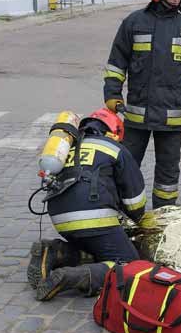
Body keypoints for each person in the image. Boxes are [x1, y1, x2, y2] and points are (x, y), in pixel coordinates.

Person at [103, 0, 181, 209]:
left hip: (170, 119)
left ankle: (163, 218)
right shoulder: (133, 23)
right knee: (125, 168)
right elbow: (116, 64)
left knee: (168, 176)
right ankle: (121, 214)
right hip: (136, 117)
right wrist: (112, 95)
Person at [28, 109, 148, 301]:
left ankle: (53, 251)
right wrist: (137, 221)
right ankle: (72, 277)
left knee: (96, 250)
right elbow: (135, 199)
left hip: (60, 218)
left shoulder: (68, 148)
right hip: (94, 217)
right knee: (130, 264)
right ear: (114, 133)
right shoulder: (114, 147)